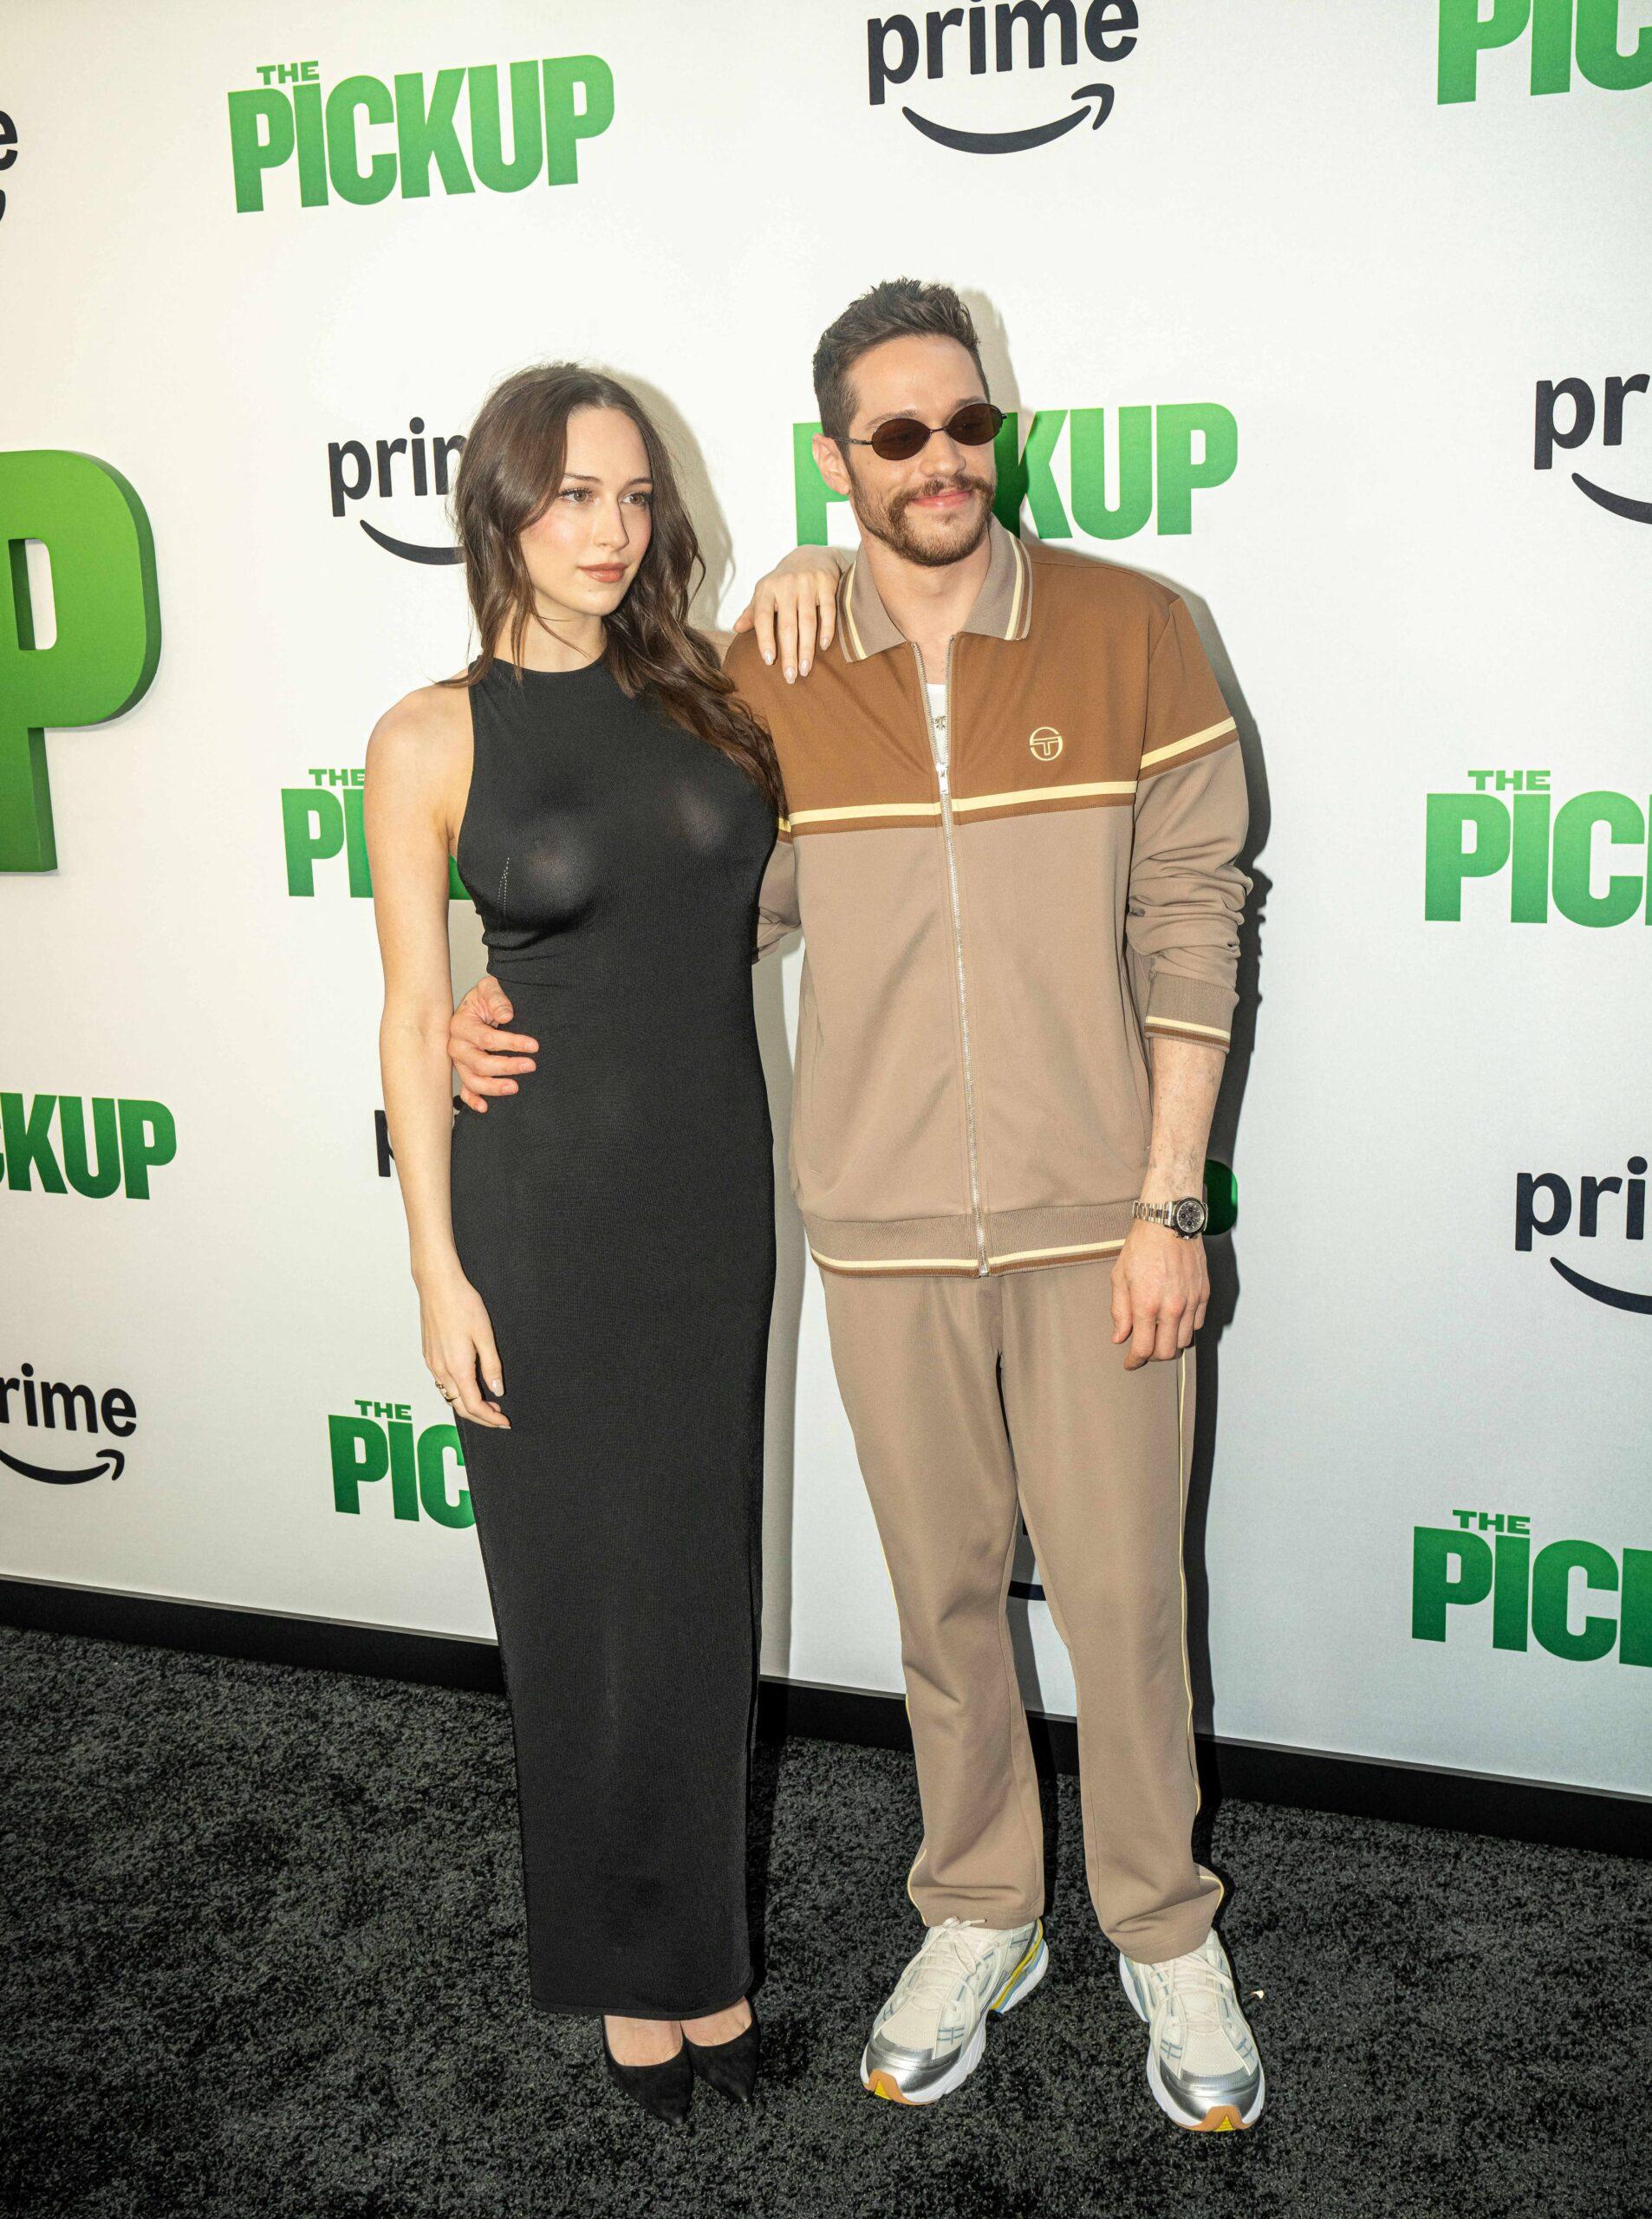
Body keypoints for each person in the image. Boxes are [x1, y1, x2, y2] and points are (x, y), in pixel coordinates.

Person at [448, 280, 1266, 2134]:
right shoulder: (765, 682)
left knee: (1127, 1596)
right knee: (940, 1599)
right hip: (875, 1221)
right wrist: (474, 1008)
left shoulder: (1142, 631)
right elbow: (656, 910)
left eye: (964, 421)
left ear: (1000, 429)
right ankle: (979, 1904)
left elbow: (1194, 916)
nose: (940, 458)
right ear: (839, 459)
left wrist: (1168, 1197)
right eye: (892, 435)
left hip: (1094, 1219)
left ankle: (1157, 1920)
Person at [363, 361, 836, 2125]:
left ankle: (705, 1960)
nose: (610, 528)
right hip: (537, 1209)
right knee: (574, 1609)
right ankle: (636, 1993)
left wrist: (813, 567)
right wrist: (434, 1271)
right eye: (572, 494)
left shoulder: (715, 693)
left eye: (634, 497)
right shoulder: (429, 734)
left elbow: (891, 616)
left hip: (712, 1194)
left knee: (699, 1593)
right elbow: (417, 1019)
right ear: (496, 505)